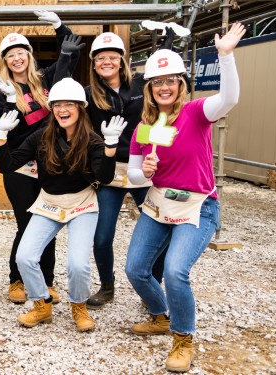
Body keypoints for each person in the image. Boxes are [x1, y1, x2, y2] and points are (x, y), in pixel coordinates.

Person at [125, 23, 245, 373]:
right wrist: (143, 173)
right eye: (158, 82)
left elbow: (230, 99)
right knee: (136, 269)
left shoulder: (197, 113)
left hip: (198, 205)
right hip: (158, 203)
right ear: (149, 88)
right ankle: (162, 316)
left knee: (176, 271)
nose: (164, 87)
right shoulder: (144, 128)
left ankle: (183, 336)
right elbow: (132, 174)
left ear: (180, 84)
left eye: (171, 81)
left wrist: (226, 57)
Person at [0, 78, 125, 331]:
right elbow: (7, 165)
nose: (63, 110)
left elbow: (104, 177)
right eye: (57, 105)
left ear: (81, 108)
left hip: (82, 203)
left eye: (69, 104)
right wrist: (1, 135)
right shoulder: (42, 136)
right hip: (49, 202)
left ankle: (79, 306)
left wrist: (110, 148)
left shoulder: (94, 140)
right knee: (25, 256)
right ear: (51, 108)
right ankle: (42, 305)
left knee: (78, 264)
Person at [0, 10, 82, 304]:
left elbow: (71, 52)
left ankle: (47, 280)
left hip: (49, 164)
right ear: (5, 61)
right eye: (11, 55)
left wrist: (58, 25)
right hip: (18, 165)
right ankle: (16, 279)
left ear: (29, 55)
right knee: (25, 223)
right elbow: (7, 129)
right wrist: (8, 101)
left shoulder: (46, 79)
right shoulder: (3, 91)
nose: (17, 58)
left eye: (21, 53)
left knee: (48, 222)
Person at [83, 30, 174, 309]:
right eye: (100, 58)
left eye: (112, 56)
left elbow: (165, 100)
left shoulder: (140, 86)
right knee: (101, 236)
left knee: (160, 230)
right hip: (110, 172)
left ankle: (153, 284)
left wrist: (167, 46)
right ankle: (106, 286)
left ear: (122, 60)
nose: (106, 62)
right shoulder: (90, 95)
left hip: (141, 167)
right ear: (94, 64)